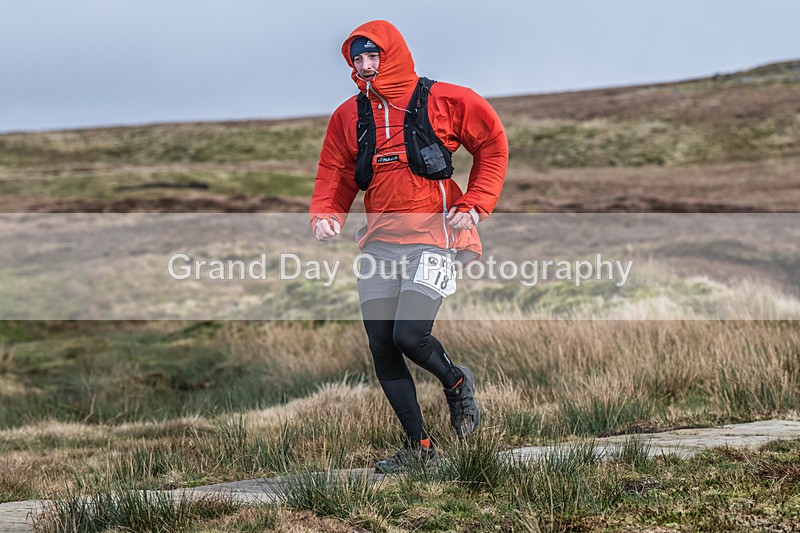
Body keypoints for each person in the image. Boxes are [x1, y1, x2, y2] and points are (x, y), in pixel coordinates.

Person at [310, 20, 508, 473]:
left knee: (408, 335)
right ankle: (420, 448)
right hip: (380, 245)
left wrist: (477, 203)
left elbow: (493, 143)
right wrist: (326, 213)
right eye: (356, 60)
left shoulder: (447, 99)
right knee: (382, 343)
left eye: (372, 57)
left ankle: (456, 381)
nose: (364, 67)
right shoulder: (348, 115)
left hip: (435, 239)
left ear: (391, 54)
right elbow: (336, 171)